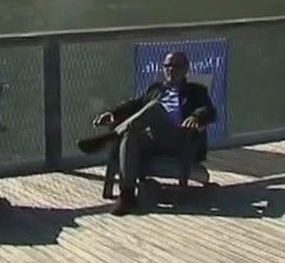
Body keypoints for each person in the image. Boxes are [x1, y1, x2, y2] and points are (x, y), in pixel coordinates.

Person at [77, 51, 217, 216]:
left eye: (176, 66)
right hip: (152, 141)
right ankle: (127, 196)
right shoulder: (155, 89)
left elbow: (209, 110)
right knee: (130, 135)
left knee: (154, 108)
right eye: (167, 66)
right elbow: (134, 104)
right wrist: (113, 113)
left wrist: (196, 116)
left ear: (186, 68)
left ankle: (113, 136)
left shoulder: (196, 90)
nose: (171, 70)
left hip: (179, 138)